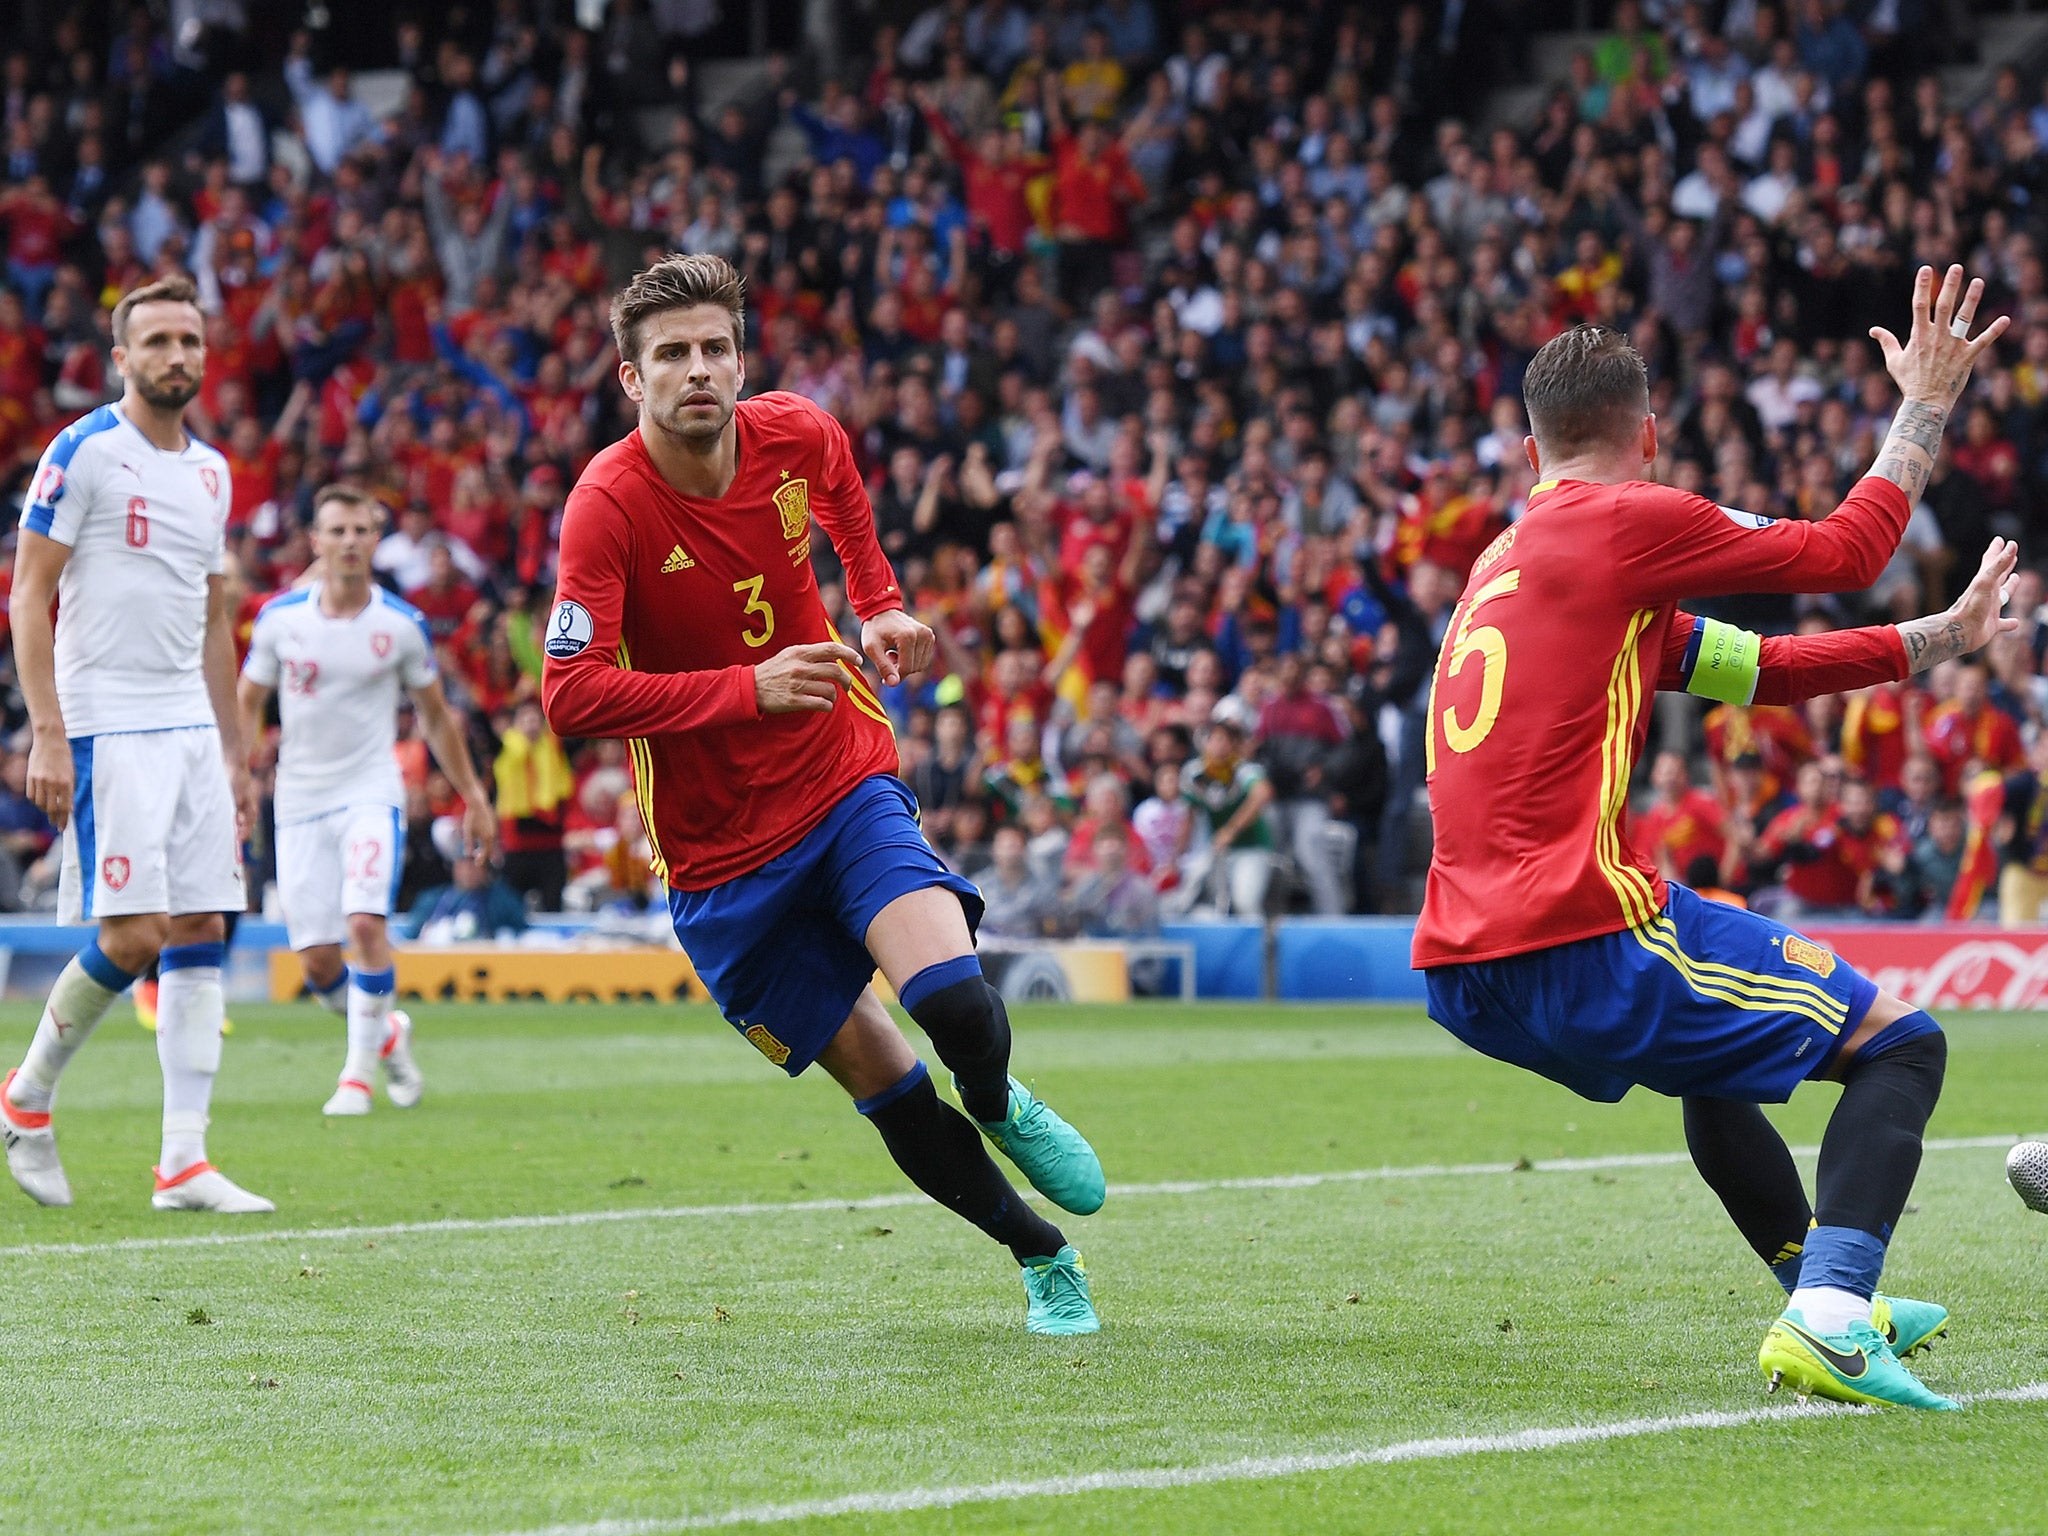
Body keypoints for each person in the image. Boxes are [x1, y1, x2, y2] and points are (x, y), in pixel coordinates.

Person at [1415, 265, 2013, 1411]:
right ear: (1646, 433)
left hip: (1461, 962)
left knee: (1715, 1066)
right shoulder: (1627, 522)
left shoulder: (1513, 561)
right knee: (1900, 1045)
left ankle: (1822, 1287)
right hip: (1573, 925)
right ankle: (1834, 1318)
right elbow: (1843, 552)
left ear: (1530, 448)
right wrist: (1924, 403)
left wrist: (1941, 635)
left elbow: (1762, 670)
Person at [541, 254, 1103, 1335]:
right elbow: (569, 691)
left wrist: (879, 602)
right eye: (672, 356)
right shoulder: (605, 506)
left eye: (714, 350)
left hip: (840, 781)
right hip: (718, 860)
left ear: (740, 360)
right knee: (886, 1083)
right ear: (631, 378)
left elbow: (843, 499)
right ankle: (1040, 1255)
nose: (697, 370)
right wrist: (743, 689)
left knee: (951, 1002)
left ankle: (997, 1101)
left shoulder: (798, 431)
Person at [0, 275, 268, 1213]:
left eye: (189, 341)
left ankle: (183, 1163)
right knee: (135, 933)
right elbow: (27, 593)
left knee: (199, 928)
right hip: (107, 719)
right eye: (156, 342)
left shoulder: (212, 470)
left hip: (193, 728)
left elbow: (212, 619)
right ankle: (26, 1099)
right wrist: (47, 730)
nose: (176, 357)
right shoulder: (83, 451)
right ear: (122, 358)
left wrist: (234, 756)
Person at [238, 485, 497, 1117]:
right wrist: (240, 774)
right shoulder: (280, 620)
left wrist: (474, 796)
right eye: (338, 531)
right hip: (298, 800)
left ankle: (355, 1077)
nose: (350, 542)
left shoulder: (400, 626)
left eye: (361, 530)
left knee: (364, 924)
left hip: (370, 791)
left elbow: (437, 719)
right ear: (316, 541)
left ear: (376, 540)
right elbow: (247, 701)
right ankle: (387, 1034)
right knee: (321, 965)